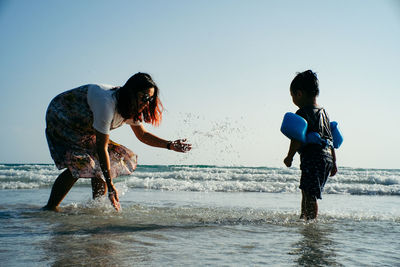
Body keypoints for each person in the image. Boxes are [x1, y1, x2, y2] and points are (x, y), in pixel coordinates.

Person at [43, 72, 191, 211]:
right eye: (145, 97)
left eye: (151, 99)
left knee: (103, 163)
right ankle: (51, 207)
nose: (147, 102)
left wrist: (170, 145)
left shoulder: (132, 108)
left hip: (85, 125)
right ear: (132, 93)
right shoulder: (106, 103)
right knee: (82, 162)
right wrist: (111, 184)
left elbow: (143, 135)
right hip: (62, 115)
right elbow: (101, 148)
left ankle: (97, 207)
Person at [283, 70, 337, 220]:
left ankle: (311, 223)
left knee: (310, 193)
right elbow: (330, 139)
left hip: (313, 157)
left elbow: (297, 138)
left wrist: (289, 157)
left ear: (299, 94)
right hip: (327, 157)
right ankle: (303, 217)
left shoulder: (302, 113)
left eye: (292, 96)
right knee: (306, 190)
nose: (293, 99)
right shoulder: (324, 113)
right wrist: (334, 163)